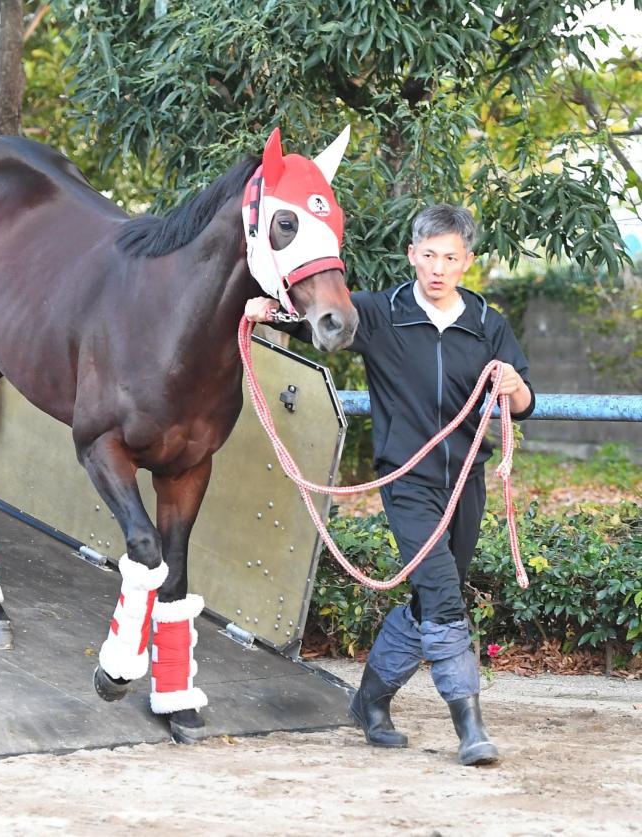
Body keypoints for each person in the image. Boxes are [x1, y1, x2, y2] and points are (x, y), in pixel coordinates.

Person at [245, 204, 535, 766]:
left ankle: (371, 703)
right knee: (446, 600)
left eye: (450, 257)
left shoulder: (487, 324)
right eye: (428, 255)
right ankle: (470, 728)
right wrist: (264, 312)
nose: (438, 268)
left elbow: (522, 406)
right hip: (407, 483)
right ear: (412, 255)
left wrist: (513, 382)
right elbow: (315, 321)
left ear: (467, 261)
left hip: (466, 482)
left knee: (430, 599)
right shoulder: (381, 313)